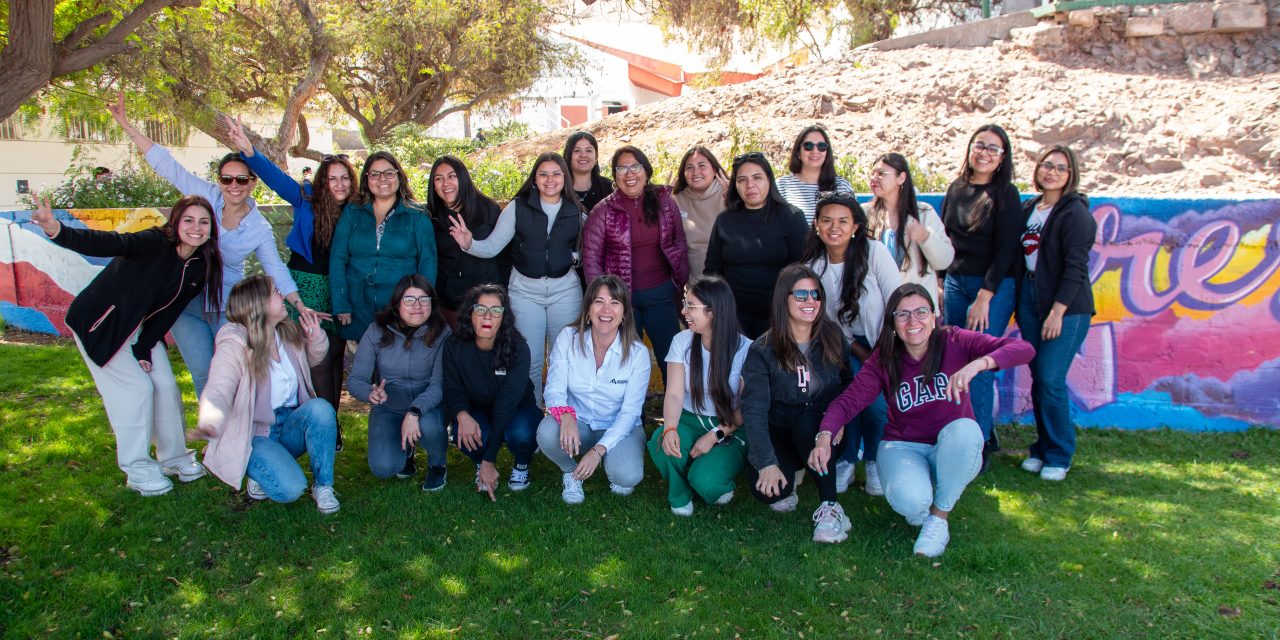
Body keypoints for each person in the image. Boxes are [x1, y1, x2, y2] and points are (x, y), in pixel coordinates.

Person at [107, 93, 317, 397]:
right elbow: (169, 167)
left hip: (227, 306)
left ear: (253, 182)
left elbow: (275, 268)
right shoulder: (205, 198)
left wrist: (298, 303)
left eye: (241, 180)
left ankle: (236, 437)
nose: (233, 186)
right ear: (219, 180)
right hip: (185, 303)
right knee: (204, 376)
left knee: (231, 374)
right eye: (227, 179)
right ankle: (214, 440)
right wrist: (128, 127)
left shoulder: (258, 227)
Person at [813, 283, 1034, 556]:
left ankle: (939, 518)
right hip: (903, 446)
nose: (913, 320)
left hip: (950, 446)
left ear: (934, 316)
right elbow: (848, 401)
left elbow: (1023, 348)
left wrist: (979, 364)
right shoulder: (884, 359)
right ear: (892, 322)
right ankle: (924, 502)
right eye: (902, 314)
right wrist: (824, 436)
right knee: (912, 503)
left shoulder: (955, 340)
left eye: (921, 312)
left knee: (965, 430)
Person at [31, 194, 221, 496]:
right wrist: (58, 230)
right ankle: (138, 470)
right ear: (176, 222)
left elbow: (168, 311)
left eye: (203, 222)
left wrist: (144, 347)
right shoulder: (155, 242)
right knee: (136, 391)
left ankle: (174, 458)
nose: (196, 228)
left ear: (212, 228)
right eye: (188, 220)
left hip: (140, 331)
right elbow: (112, 243)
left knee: (166, 386)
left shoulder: (200, 264)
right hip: (103, 325)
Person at [227, 118, 350, 445]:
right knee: (310, 357)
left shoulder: (357, 211)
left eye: (344, 179)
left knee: (335, 355)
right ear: (323, 181)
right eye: (332, 178)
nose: (338, 184)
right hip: (304, 285)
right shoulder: (304, 199)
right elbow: (273, 177)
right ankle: (303, 421)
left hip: (337, 288)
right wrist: (248, 149)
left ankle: (331, 424)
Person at [190, 275, 341, 514]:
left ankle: (323, 486)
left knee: (321, 408)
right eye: (274, 292)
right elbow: (220, 384)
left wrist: (315, 338)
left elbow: (314, 359)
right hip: (256, 434)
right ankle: (259, 470)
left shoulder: (285, 332)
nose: (281, 295)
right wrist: (210, 419)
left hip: (290, 422)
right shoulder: (235, 342)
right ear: (257, 304)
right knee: (291, 490)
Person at [448, 153, 585, 405]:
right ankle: (532, 421)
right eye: (543, 174)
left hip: (564, 291)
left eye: (556, 173)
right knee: (529, 360)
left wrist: (573, 257)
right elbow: (492, 247)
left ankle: (561, 420)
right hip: (525, 292)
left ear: (565, 177)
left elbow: (589, 248)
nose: (550, 179)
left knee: (562, 359)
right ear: (534, 178)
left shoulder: (575, 211)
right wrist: (469, 244)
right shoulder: (518, 207)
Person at [740, 265, 854, 543]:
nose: (810, 301)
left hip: (823, 428)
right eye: (801, 295)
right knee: (769, 491)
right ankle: (792, 474)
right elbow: (753, 410)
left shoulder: (833, 337)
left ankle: (831, 508)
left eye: (815, 295)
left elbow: (849, 385)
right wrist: (766, 463)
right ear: (783, 298)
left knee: (807, 424)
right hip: (780, 428)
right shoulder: (763, 349)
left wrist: (836, 420)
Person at [802, 191, 900, 496]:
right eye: (827, 220)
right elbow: (821, 318)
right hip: (840, 345)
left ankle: (873, 459)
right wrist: (856, 350)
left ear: (856, 225)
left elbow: (897, 298)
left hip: (883, 340)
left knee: (875, 405)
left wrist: (887, 347)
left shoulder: (874, 253)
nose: (835, 227)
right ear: (816, 224)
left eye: (843, 221)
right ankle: (846, 457)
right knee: (844, 396)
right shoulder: (814, 265)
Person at [941, 124, 1022, 465]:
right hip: (956, 284)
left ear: (1003, 157)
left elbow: (1005, 251)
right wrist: (942, 285)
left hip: (991, 288)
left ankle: (980, 444)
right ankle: (958, 434)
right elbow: (944, 242)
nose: (985, 153)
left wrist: (986, 296)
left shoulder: (1007, 195)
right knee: (953, 361)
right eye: (980, 146)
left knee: (979, 364)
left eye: (993, 149)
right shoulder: (957, 188)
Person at [1016, 145, 1096, 482]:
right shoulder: (1031, 208)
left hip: (1066, 306)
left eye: (1060, 168)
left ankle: (1060, 454)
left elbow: (1076, 268)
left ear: (1071, 175)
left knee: (1051, 378)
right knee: (1040, 379)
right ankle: (1042, 448)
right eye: (1047, 165)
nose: (1051, 172)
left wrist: (1057, 311)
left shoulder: (1075, 213)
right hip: (1032, 298)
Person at [536, 275, 651, 504]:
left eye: (615, 302)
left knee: (627, 475)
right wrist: (565, 414)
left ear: (625, 313)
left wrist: (598, 451)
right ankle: (572, 472)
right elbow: (554, 388)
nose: (606, 309)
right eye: (599, 301)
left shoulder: (638, 354)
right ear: (588, 309)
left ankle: (611, 462)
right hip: (580, 425)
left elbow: (630, 414)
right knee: (547, 431)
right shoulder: (569, 338)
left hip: (621, 429)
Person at [582, 145, 689, 383]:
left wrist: (680, 281)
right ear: (615, 175)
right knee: (625, 364)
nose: (629, 174)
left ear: (646, 171)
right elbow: (591, 260)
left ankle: (676, 417)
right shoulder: (603, 211)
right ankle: (633, 419)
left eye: (635, 167)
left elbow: (678, 242)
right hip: (622, 300)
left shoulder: (665, 203)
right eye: (622, 168)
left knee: (670, 359)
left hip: (661, 295)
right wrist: (604, 302)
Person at [648, 275, 752, 516]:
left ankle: (703, 474)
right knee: (661, 444)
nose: (683, 311)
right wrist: (670, 428)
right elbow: (673, 394)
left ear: (713, 311)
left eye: (690, 306)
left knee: (707, 482)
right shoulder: (681, 341)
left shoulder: (746, 349)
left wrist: (715, 435)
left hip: (729, 426)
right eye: (685, 303)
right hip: (689, 418)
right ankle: (679, 493)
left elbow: (746, 407)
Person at [348, 275, 451, 489]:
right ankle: (406, 453)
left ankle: (437, 464)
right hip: (390, 407)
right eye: (409, 300)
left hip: (428, 407)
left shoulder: (443, 332)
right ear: (396, 304)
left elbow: (439, 384)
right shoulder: (376, 330)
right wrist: (370, 393)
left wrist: (415, 412)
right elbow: (356, 379)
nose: (417, 306)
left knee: (430, 425)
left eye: (424, 300)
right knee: (384, 467)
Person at [442, 284, 543, 500]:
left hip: (516, 408)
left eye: (496, 311)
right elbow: (452, 387)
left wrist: (491, 458)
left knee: (522, 434)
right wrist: (461, 414)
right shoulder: (454, 345)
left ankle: (521, 465)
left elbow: (506, 405)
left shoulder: (518, 348)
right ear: (470, 312)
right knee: (467, 431)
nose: (488, 316)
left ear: (504, 317)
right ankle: (479, 464)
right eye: (480, 309)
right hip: (476, 407)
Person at [330, 150, 438, 344]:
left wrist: (421, 306)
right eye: (375, 174)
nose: (382, 179)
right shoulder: (353, 212)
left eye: (389, 173)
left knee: (396, 366)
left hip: (400, 308)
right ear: (366, 179)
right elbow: (338, 259)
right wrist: (341, 303)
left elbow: (428, 264)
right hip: (357, 305)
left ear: (399, 176)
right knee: (362, 367)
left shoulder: (417, 215)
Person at [704, 152, 809, 338]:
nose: (750, 185)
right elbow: (712, 271)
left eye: (757, 177)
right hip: (733, 316)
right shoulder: (724, 220)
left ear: (769, 179)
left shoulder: (791, 217)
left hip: (779, 315)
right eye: (742, 180)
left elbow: (803, 271)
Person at [426, 155, 506, 326]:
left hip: (487, 304)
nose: (445, 183)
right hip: (449, 305)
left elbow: (506, 256)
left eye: (452, 176)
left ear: (462, 178)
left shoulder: (488, 209)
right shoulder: (431, 217)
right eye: (439, 178)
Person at [865, 153, 954, 306]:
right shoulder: (864, 213)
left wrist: (925, 237)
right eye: (872, 173)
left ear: (901, 178)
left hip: (916, 310)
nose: (874, 178)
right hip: (878, 308)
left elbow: (944, 261)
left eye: (881, 174)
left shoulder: (924, 213)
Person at [775, 125, 855, 225]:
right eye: (808, 146)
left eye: (821, 146)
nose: (815, 151)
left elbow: (852, 223)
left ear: (827, 152)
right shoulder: (781, 185)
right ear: (798, 152)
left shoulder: (842, 185)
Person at [671, 146, 729, 279]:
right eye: (689, 167)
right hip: (694, 284)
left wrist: (737, 199)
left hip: (728, 283)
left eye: (702, 166)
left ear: (714, 170)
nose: (695, 172)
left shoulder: (729, 194)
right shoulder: (676, 200)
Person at [564, 131, 614, 214]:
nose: (583, 155)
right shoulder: (558, 188)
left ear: (596, 157)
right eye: (577, 150)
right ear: (568, 156)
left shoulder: (609, 188)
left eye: (589, 150)